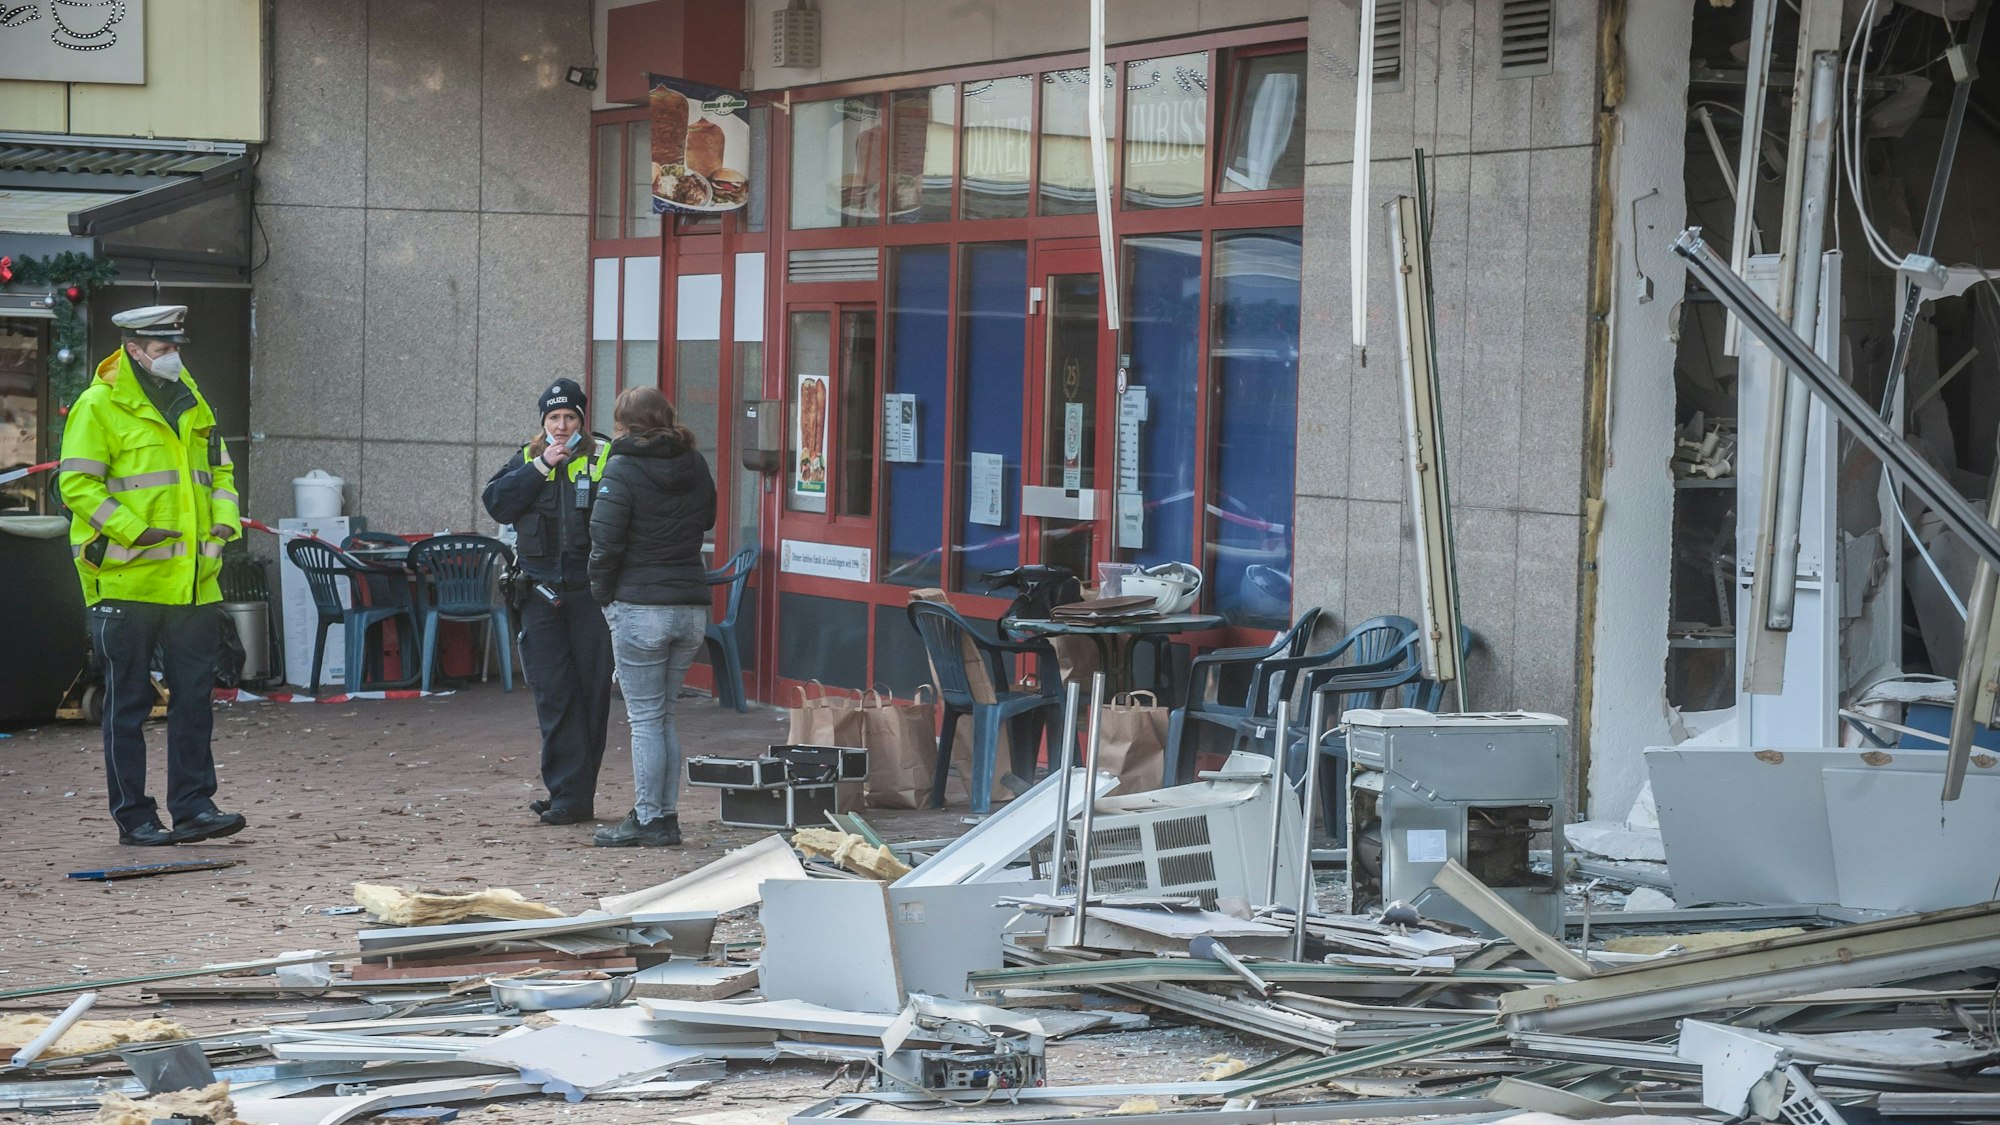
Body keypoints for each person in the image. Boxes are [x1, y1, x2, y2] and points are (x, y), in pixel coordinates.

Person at [59, 305, 248, 846]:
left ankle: (193, 807)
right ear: (134, 351)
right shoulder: (99, 406)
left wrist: (224, 528)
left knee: (193, 698)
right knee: (129, 706)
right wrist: (132, 531)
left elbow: (221, 472)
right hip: (126, 581)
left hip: (191, 582)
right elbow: (77, 487)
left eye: (177, 348)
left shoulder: (192, 398)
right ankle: (135, 817)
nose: (174, 358)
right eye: (164, 350)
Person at [587, 387, 716, 847]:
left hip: (640, 605)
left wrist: (602, 596)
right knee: (664, 716)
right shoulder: (695, 462)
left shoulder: (620, 467)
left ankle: (648, 818)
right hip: (689, 606)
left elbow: (604, 541)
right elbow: (709, 520)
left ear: (623, 424)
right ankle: (665, 816)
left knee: (644, 719)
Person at [481, 379, 614, 825]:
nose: (561, 425)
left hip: (590, 596)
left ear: (582, 420)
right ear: (543, 422)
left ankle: (577, 795)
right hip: (538, 595)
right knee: (553, 695)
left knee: (591, 695)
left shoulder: (603, 456)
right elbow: (496, 504)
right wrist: (541, 466)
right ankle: (565, 793)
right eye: (554, 418)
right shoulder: (526, 458)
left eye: (570, 417)